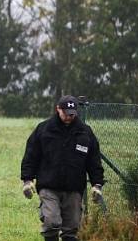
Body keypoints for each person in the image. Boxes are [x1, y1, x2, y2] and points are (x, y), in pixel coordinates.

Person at [20, 95, 104, 241]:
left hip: (74, 188)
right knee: (52, 223)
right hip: (49, 186)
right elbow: (31, 156)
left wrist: (97, 184)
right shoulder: (44, 129)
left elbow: (94, 160)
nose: (68, 117)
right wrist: (27, 180)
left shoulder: (85, 133)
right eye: (65, 113)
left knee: (71, 230)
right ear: (58, 109)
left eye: (72, 114)